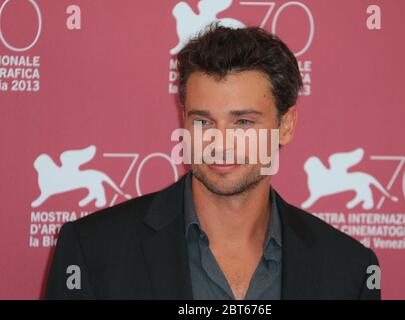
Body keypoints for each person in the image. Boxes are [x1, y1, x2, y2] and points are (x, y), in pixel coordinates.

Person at [45, 25, 380, 300]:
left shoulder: (348, 269)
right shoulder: (93, 251)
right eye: (203, 121)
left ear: (286, 125)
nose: (220, 143)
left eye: (243, 122)